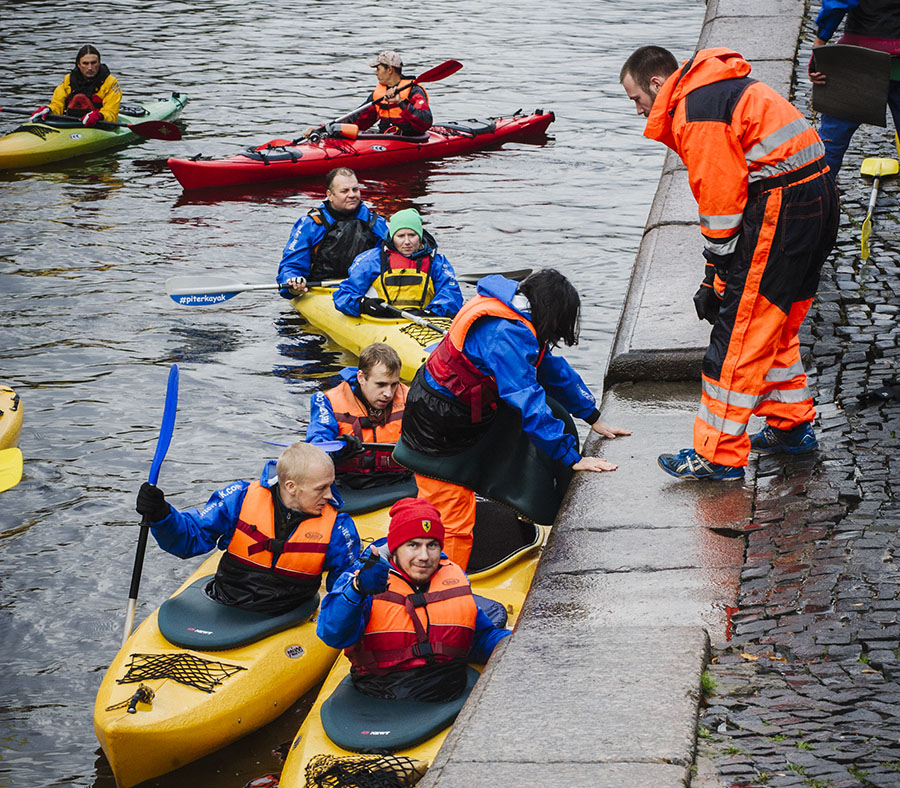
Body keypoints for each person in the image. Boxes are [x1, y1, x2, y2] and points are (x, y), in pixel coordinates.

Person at [620, 46, 839, 481]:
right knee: (775, 322)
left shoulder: (696, 109)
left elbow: (720, 199)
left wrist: (717, 271)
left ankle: (717, 454)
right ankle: (790, 425)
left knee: (736, 335)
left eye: (636, 99)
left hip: (782, 206)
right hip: (816, 196)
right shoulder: (721, 88)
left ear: (657, 83)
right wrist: (717, 272)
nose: (637, 110)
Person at [400, 269, 631, 568]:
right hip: (439, 420)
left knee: (458, 492)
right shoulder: (506, 332)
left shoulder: (517, 313)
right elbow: (527, 398)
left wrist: (592, 415)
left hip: (459, 409)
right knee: (451, 513)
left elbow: (549, 369)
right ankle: (443, 587)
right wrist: (570, 457)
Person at [316, 497, 510, 702]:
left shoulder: (453, 578)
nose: (424, 556)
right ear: (395, 547)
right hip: (380, 694)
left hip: (449, 686)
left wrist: (517, 644)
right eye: (413, 545)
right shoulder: (363, 580)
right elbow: (332, 635)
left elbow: (480, 637)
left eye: (432, 545)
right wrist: (357, 590)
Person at [134, 442, 360, 615]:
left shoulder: (337, 527)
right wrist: (162, 514)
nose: (330, 495)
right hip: (226, 599)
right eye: (321, 488)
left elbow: (345, 584)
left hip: (287, 611)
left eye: (330, 485)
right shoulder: (240, 499)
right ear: (291, 486)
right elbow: (190, 539)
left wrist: (361, 584)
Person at [809, 0, 900, 178]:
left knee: (832, 140)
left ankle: (820, 197)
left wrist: (820, 42)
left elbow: (837, 4)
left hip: (859, 57)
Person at [306, 342, 412, 484]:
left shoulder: (411, 397)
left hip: (401, 480)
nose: (388, 393)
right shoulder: (327, 402)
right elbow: (316, 451)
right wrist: (338, 451)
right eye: (381, 384)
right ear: (361, 377)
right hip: (349, 482)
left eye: (394, 384)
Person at [277, 167, 389, 297]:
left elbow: (390, 255)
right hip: (321, 287)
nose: (352, 194)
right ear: (330, 195)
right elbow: (291, 265)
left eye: (355, 189)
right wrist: (293, 281)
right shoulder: (311, 224)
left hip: (362, 286)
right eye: (344, 191)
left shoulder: (375, 222)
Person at [332, 208, 463, 319]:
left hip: (424, 319)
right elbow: (343, 294)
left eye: (412, 235)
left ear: (420, 236)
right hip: (382, 320)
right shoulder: (372, 260)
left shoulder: (437, 263)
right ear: (392, 237)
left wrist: (432, 313)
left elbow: (451, 294)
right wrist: (363, 304)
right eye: (400, 236)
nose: (407, 242)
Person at [341, 50, 433, 137]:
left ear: (389, 69)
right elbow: (359, 118)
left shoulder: (414, 91)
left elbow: (425, 122)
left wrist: (400, 102)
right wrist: (338, 127)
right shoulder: (379, 94)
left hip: (410, 139)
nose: (376, 73)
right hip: (386, 139)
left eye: (378, 69)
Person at [31, 45, 121, 127]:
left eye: (93, 63)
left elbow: (111, 113)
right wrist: (48, 110)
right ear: (78, 65)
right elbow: (57, 105)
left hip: (99, 124)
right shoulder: (68, 81)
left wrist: (100, 115)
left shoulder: (111, 83)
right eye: (85, 63)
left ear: (99, 63)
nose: (90, 68)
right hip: (71, 121)